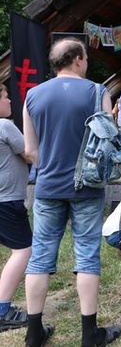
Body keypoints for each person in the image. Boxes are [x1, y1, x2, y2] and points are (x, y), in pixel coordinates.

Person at [22, 38, 121, 347]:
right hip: (87, 188)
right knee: (87, 256)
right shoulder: (97, 92)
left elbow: (29, 151)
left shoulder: (32, 96)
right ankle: (89, 335)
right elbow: (109, 146)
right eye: (86, 58)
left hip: (47, 188)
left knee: (40, 258)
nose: (87, 62)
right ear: (77, 59)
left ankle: (33, 333)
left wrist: (50, 165)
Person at [0, 84, 32, 332]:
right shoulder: (5, 126)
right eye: (4, 96)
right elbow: (30, 154)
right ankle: (2, 311)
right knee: (23, 251)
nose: (9, 100)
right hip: (7, 201)